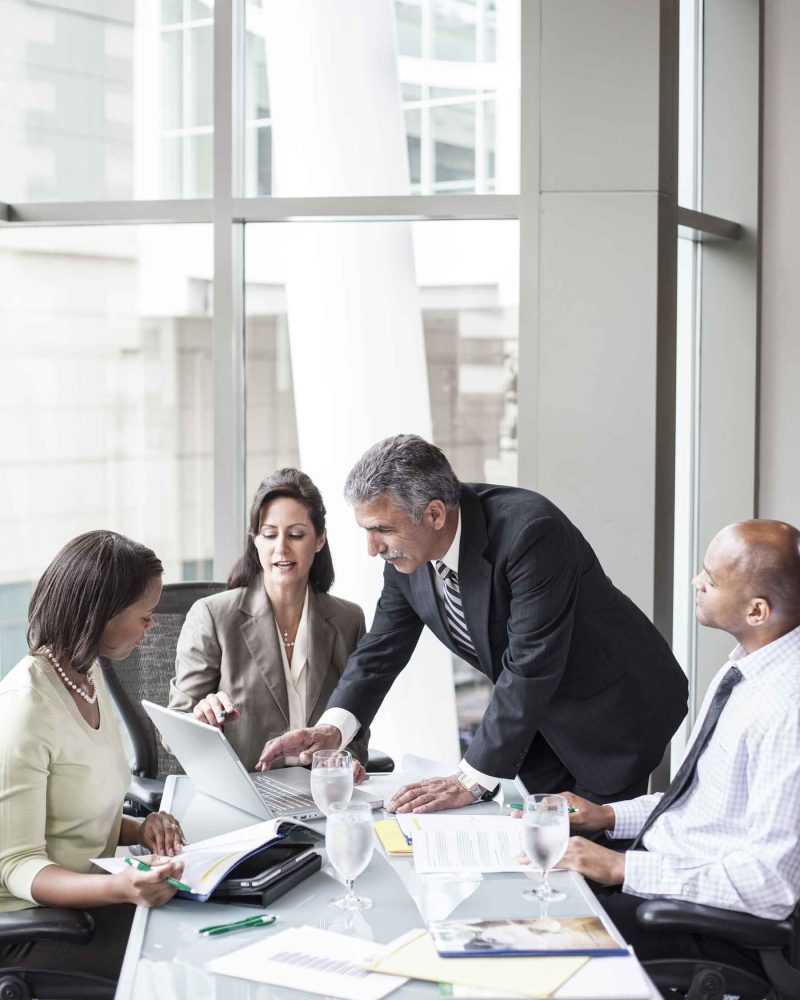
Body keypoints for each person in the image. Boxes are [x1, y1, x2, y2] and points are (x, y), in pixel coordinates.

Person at [257, 435, 688, 812]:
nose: (372, 548)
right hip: (537, 723)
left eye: (381, 530)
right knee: (538, 853)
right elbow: (380, 650)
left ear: (435, 515)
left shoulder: (531, 534)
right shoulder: (409, 556)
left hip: (611, 712)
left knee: (589, 867)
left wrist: (470, 780)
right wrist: (334, 728)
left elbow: (529, 666)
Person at [556, 519, 800, 968]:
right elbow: (697, 804)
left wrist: (619, 867)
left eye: (711, 577)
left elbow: (769, 885)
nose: (696, 582)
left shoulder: (788, 711)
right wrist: (607, 816)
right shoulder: (747, 669)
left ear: (757, 612)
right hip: (665, 870)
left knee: (536, 934)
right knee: (523, 885)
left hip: (707, 923)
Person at [0, 531, 186, 984]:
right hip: (44, 927)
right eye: (144, 615)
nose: (152, 625)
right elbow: (16, 864)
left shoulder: (85, 675)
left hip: (93, 900)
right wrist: (118, 887)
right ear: (101, 615)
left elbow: (69, 814)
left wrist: (140, 828)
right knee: (183, 972)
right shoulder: (26, 706)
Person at [168, 468, 369, 773]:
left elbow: (356, 720)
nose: (281, 548)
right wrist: (200, 717)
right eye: (270, 534)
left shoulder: (347, 620)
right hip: (247, 790)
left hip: (320, 791)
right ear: (255, 541)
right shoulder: (213, 616)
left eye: (296, 535)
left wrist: (348, 760)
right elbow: (173, 733)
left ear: (319, 539)